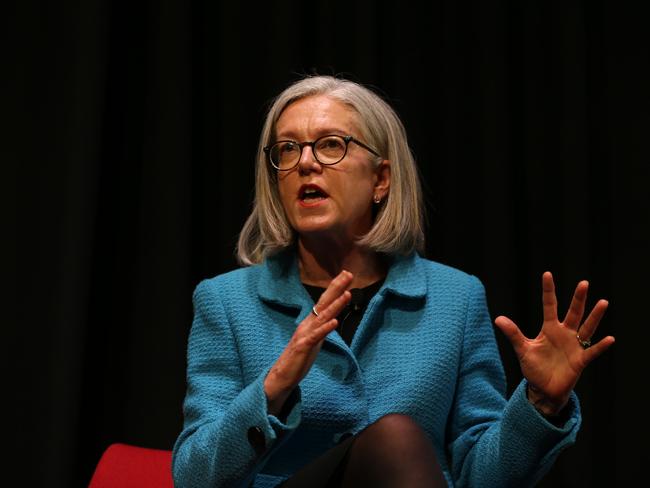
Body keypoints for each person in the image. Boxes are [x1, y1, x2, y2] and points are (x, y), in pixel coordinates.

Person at [171, 75, 615, 488]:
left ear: (381, 179)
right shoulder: (226, 301)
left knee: (398, 439)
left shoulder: (455, 300)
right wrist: (273, 389)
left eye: (330, 145)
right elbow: (192, 476)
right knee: (396, 435)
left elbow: (481, 477)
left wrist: (540, 403)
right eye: (287, 150)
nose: (305, 163)